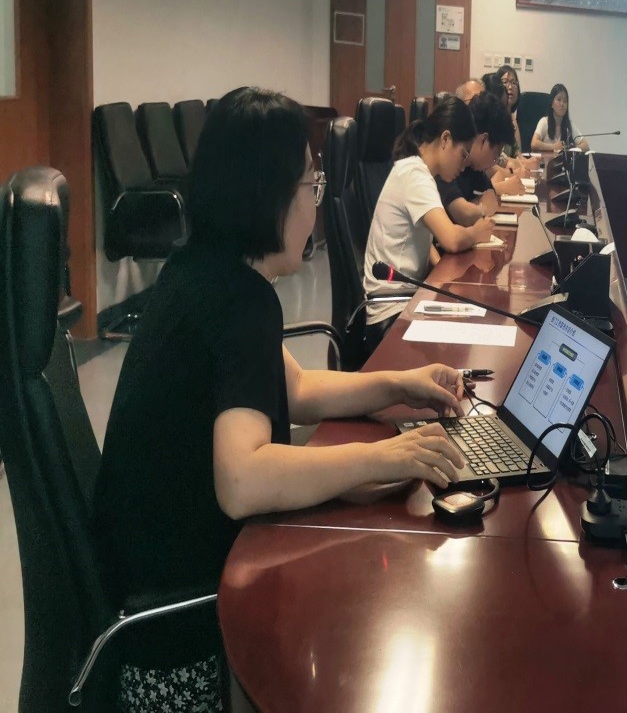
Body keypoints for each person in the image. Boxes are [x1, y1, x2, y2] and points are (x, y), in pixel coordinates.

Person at [92, 87, 466, 711]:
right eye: (310, 188)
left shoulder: (201, 271)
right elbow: (242, 480)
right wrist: (387, 457)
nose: (315, 207)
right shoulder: (240, 302)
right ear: (268, 196)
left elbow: (294, 388)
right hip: (178, 636)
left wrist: (400, 385)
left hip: (145, 594)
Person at [363, 96, 495, 337]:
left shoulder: (417, 170)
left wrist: (444, 275)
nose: (463, 165)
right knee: (467, 335)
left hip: (404, 300)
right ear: (445, 139)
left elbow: (425, 244)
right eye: (463, 154)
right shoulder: (415, 175)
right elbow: (451, 239)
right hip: (390, 313)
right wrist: (477, 232)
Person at [436, 91, 519, 224]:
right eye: (496, 154)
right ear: (484, 140)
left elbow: (491, 198)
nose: (494, 162)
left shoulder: (474, 168)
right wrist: (481, 207)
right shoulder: (448, 160)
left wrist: (477, 205)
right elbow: (463, 215)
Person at [531, 83, 589, 153]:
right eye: (559, 100)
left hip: (563, 160)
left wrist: (571, 149)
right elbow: (534, 144)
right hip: (547, 160)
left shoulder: (569, 125)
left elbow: (585, 145)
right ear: (552, 104)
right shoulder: (544, 122)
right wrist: (554, 146)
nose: (562, 104)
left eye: (565, 101)